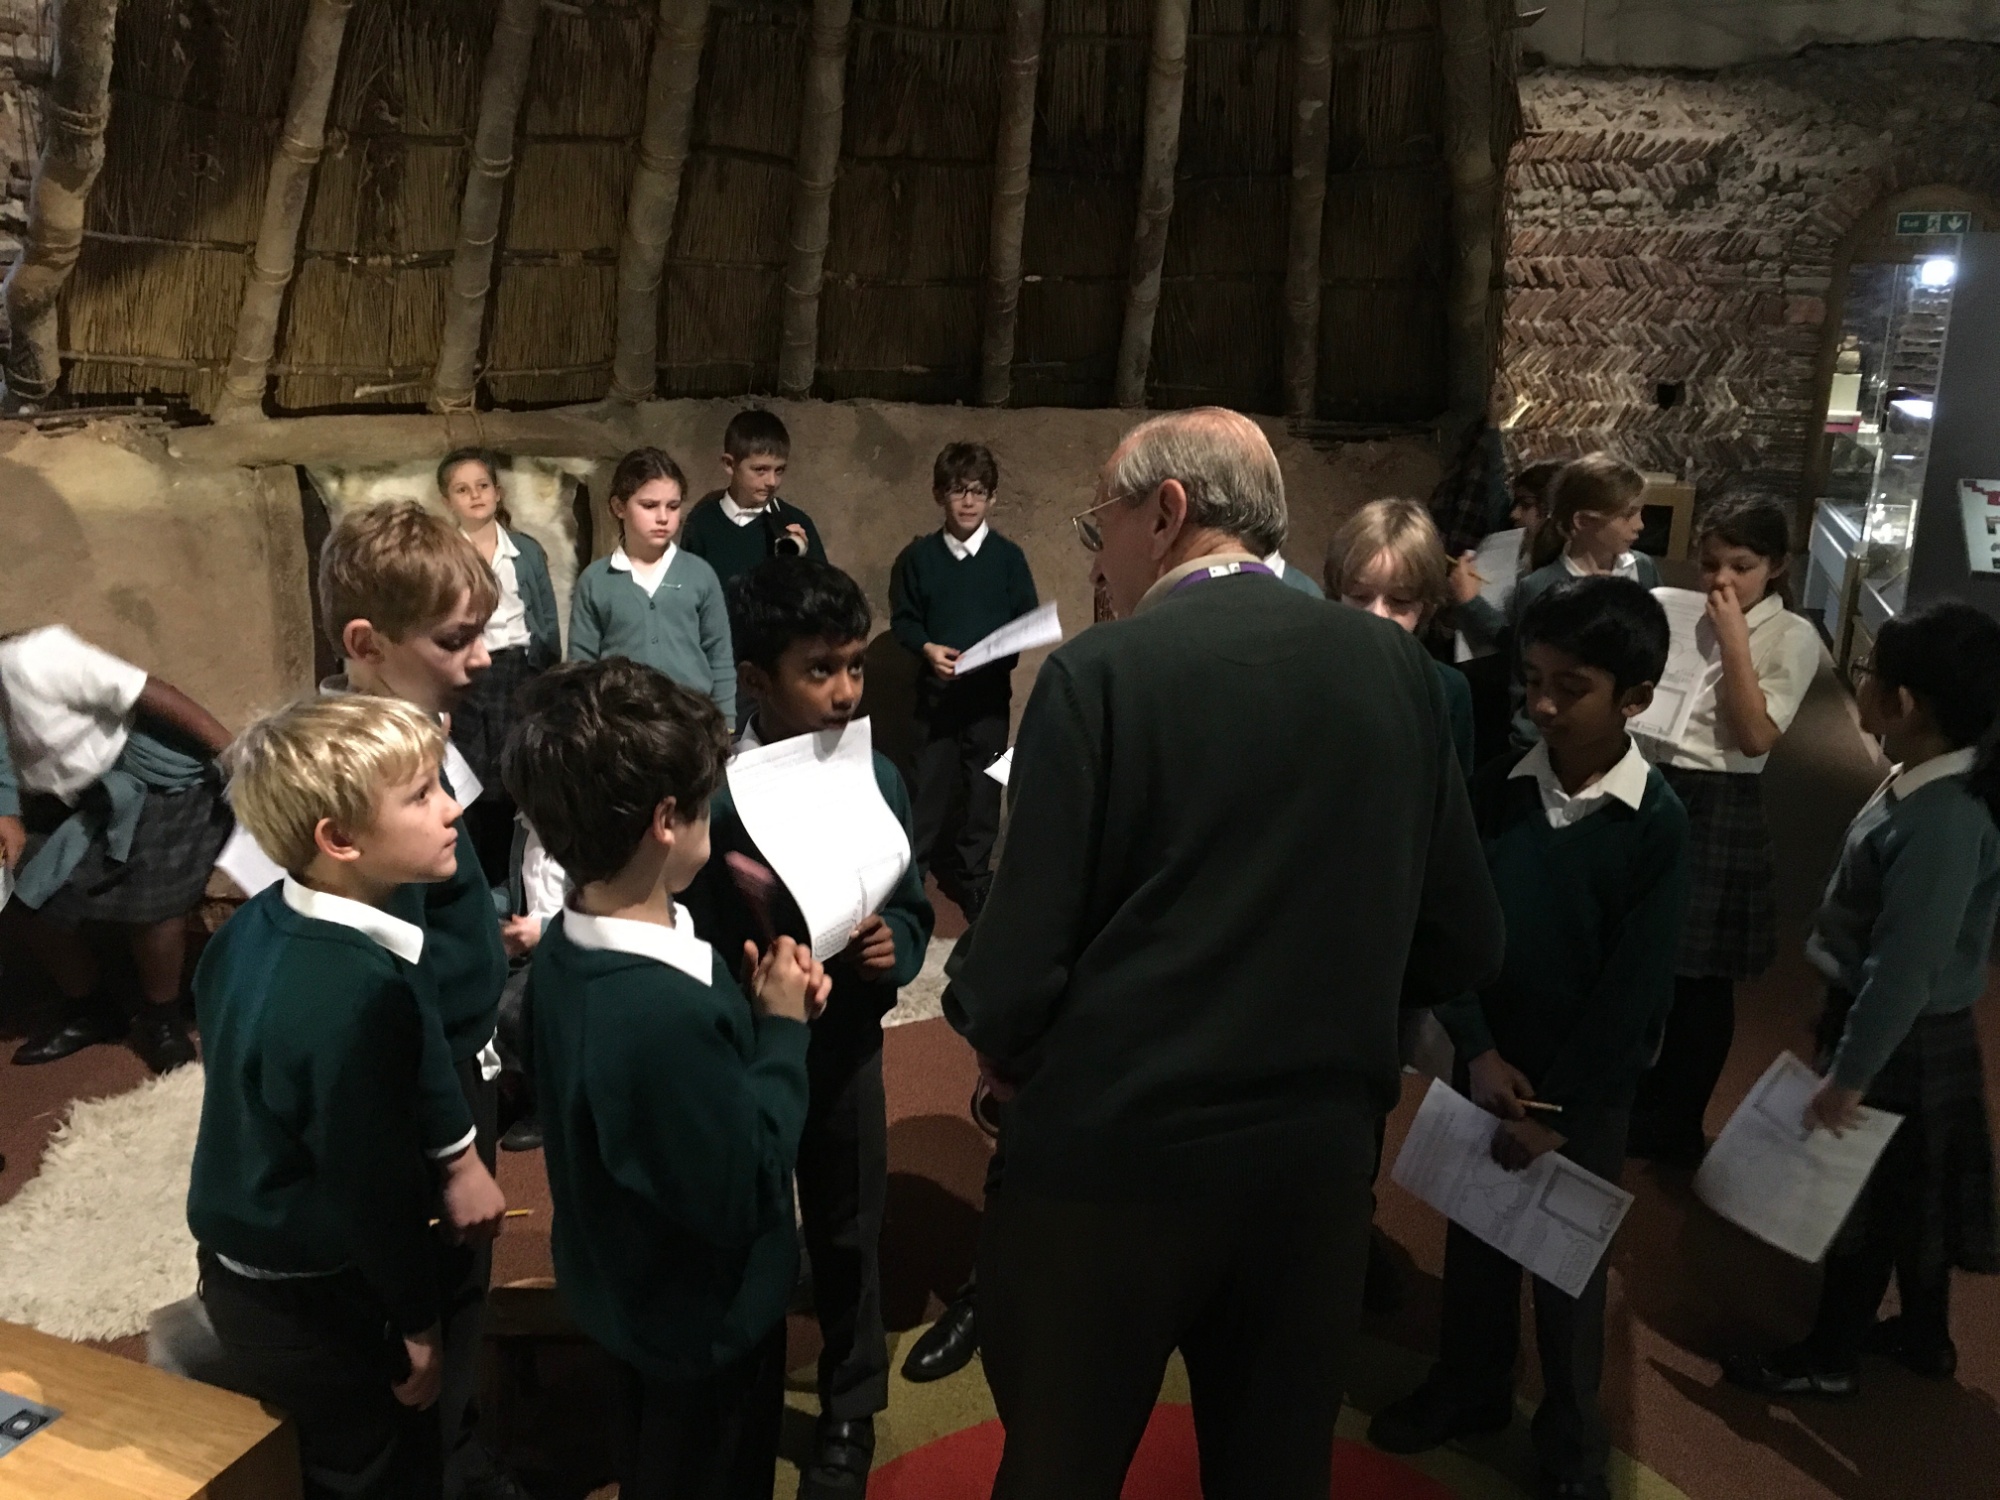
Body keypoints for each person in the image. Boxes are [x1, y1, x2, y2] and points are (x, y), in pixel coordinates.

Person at [943, 408, 1504, 1500]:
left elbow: (1011, 973)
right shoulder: (1398, 677)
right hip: (1312, 1175)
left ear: (1166, 513)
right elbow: (1463, 939)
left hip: (1114, 1174)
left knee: (1058, 1468)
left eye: (1095, 521)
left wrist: (998, 1044)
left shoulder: (1098, 675)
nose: (1092, 550)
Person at [1369, 577, 1689, 1500]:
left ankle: (1573, 1444)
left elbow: (1635, 989)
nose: (1542, 705)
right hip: (1489, 1063)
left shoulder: (1655, 822)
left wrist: (1561, 1107)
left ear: (1634, 698)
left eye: (1571, 687)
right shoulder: (1502, 788)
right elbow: (1456, 924)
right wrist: (1476, 1048)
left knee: (1566, 1275)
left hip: (1581, 1092)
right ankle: (1469, 1387)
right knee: (1473, 1241)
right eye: (1533, 681)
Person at [503, 659, 829, 1500]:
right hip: (703, 1323)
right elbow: (743, 1182)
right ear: (664, 822)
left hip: (629, 1291)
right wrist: (785, 1034)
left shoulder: (571, 952)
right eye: (703, 800)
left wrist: (758, 1019)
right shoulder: (653, 1014)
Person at [684, 558, 934, 1500]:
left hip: (845, 1051)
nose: (844, 693)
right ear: (755, 679)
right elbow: (690, 922)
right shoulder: (718, 798)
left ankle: (848, 1406)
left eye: (856, 668)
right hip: (745, 1054)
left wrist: (893, 947)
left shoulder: (883, 779)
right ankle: (744, 1389)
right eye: (819, 670)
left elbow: (908, 903)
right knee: (750, 1225)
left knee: (847, 1227)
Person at [189, 694, 463, 1499]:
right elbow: (370, 1187)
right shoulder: (355, 997)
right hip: (315, 1294)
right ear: (339, 840)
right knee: (370, 1465)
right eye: (421, 796)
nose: (450, 809)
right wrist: (416, 1323)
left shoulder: (251, 924)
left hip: (241, 1262)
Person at [1724, 602, 2000, 1398]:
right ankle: (1923, 1337)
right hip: (1912, 1033)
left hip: (1901, 1036)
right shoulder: (1929, 784)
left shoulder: (1942, 819)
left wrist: (1849, 1074)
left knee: (1862, 1206)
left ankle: (1828, 1359)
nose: (1865, 683)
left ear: (1904, 704)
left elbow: (1904, 967)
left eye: (1874, 674)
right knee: (1914, 1193)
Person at [317, 501, 516, 1500]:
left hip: (463, 1047)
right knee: (427, 1300)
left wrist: (494, 931)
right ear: (366, 643)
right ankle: (437, 1464)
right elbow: (385, 991)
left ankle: (456, 1444)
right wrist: (454, 1151)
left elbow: (450, 899)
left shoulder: (421, 732)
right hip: (423, 1084)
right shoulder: (360, 787)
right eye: (454, 638)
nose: (481, 657)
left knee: (461, 1287)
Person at [1627, 495, 1821, 1166]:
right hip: (1657, 781)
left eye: (1741, 565)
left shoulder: (1789, 634)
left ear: (1776, 565)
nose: (1722, 580)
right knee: (1653, 956)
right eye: (1711, 563)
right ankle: (1650, 1096)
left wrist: (1736, 644)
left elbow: (1756, 733)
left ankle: (1679, 1119)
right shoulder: (1685, 609)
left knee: (1700, 976)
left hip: (1721, 797)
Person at [0, 625, 233, 1072]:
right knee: (20, 890)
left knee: (153, 903)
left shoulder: (38, 656)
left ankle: (161, 1019)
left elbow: (153, 693)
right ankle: (91, 1009)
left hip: (155, 782)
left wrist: (238, 756)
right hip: (72, 799)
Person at [889, 442, 1039, 920]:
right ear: (940, 495)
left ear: (992, 498)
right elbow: (905, 621)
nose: (968, 501)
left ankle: (973, 877)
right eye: (958, 491)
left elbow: (1026, 618)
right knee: (927, 789)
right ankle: (912, 879)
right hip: (935, 701)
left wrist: (1000, 653)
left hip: (991, 700)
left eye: (977, 491)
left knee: (986, 788)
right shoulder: (918, 558)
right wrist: (927, 649)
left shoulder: (1009, 558)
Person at [435, 448, 561, 887]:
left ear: (498, 491)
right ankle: (474, 880)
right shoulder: (445, 556)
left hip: (517, 671)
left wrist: (546, 679)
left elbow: (544, 617)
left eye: (482, 486)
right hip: (469, 674)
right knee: (469, 775)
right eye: (462, 490)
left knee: (515, 775)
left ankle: (515, 883)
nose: (475, 496)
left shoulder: (524, 552)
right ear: (447, 500)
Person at [569, 448, 736, 723]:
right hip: (623, 725)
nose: (663, 517)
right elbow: (581, 665)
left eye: (672, 506)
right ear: (618, 507)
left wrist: (727, 723)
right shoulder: (596, 580)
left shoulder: (700, 575)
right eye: (649, 505)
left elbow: (719, 654)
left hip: (693, 722)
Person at [1507, 455, 1659, 748]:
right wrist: (1529, 744)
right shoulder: (1541, 586)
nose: (1640, 525)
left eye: (1641, 511)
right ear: (1583, 521)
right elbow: (1525, 680)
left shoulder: (1643, 569)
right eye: (1628, 514)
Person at [1324, 498, 1476, 778]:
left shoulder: (1447, 691)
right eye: (1360, 596)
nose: (1377, 615)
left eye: (1400, 600)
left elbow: (1453, 802)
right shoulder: (1305, 673)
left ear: (1425, 607)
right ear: (1336, 594)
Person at [680, 409, 829, 591]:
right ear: (729, 464)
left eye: (779, 470)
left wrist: (801, 565)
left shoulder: (795, 524)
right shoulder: (702, 522)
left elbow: (825, 603)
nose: (772, 482)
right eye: (760, 470)